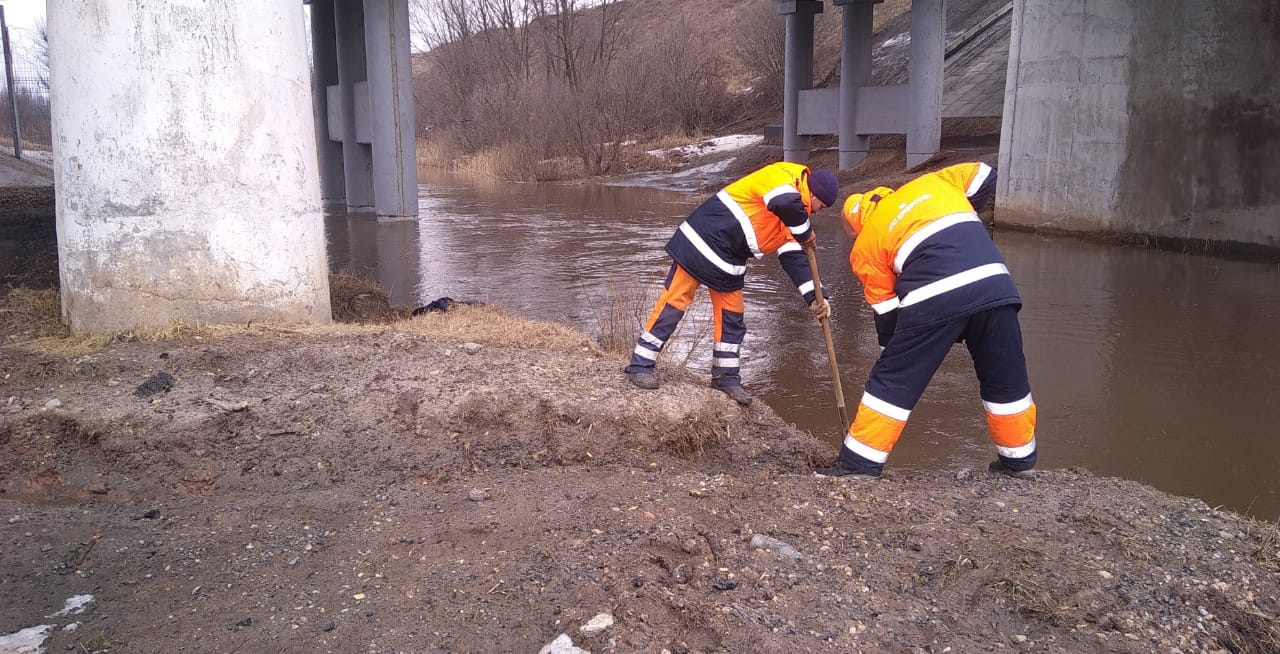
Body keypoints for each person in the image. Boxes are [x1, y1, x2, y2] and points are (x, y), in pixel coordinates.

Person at [815, 162, 1038, 479]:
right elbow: (985, 175)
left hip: (934, 294)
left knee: (892, 382)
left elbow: (886, 312)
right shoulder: (936, 182)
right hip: (996, 285)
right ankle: (1019, 462)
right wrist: (963, 214)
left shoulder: (868, 243)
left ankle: (858, 464)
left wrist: (890, 356)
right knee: (1005, 376)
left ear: (857, 223)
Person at [625, 162, 839, 406]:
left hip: (730, 258)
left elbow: (794, 258)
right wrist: (805, 233)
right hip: (701, 241)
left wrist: (816, 297)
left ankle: (726, 377)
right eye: (822, 206)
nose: (819, 212)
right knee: (673, 303)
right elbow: (783, 203)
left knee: (732, 318)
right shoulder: (782, 179)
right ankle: (640, 365)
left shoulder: (795, 216)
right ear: (813, 194)